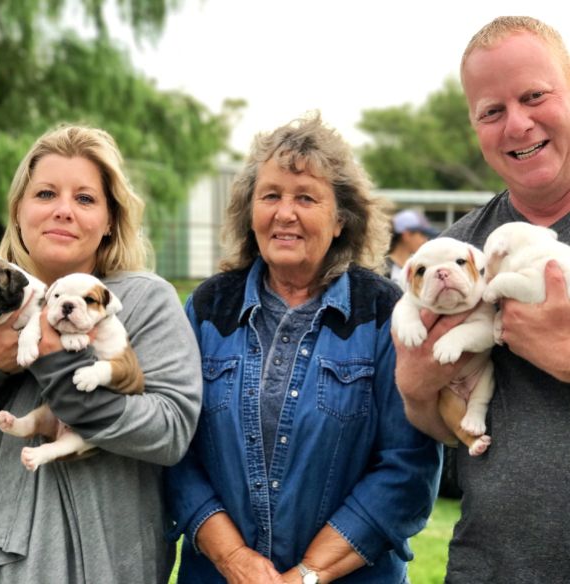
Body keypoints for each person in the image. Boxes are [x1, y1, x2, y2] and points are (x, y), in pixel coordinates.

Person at [164, 113, 441, 584]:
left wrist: (307, 575)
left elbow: (407, 468)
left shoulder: (383, 312)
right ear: (250, 213)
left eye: (306, 198)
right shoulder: (208, 307)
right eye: (270, 195)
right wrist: (234, 559)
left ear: (341, 221)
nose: (284, 213)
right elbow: (174, 449)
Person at [393, 16, 570, 583]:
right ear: (475, 126)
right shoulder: (460, 251)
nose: (517, 124)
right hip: (492, 565)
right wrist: (417, 391)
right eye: (491, 111)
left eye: (535, 96)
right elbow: (436, 423)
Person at [0, 125, 202, 583]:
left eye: (85, 199)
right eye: (45, 193)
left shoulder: (146, 301)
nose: (63, 210)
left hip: (105, 561)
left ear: (109, 221)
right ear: (19, 211)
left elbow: (171, 430)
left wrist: (55, 362)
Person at [384, 209, 439, 284]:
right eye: (422, 234)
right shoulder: (382, 269)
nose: (426, 239)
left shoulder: (420, 266)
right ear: (407, 235)